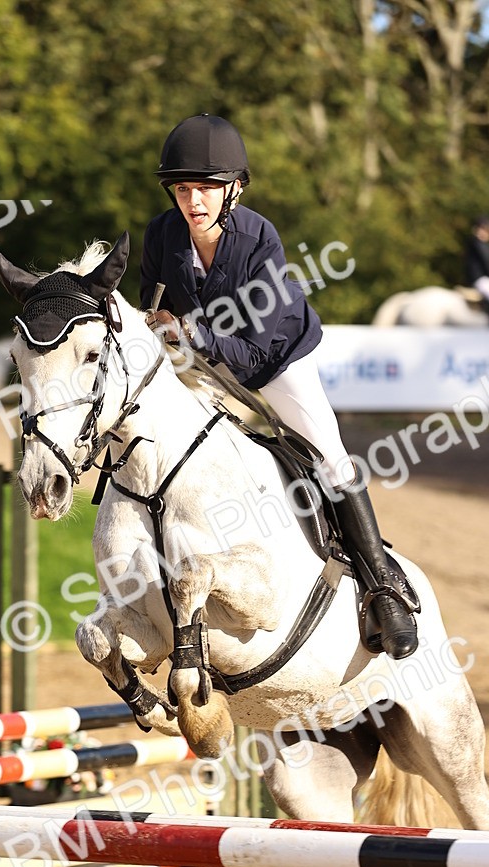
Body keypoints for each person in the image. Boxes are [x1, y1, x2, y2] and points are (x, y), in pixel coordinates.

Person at [140, 113, 417, 659]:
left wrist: (191, 332)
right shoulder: (162, 234)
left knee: (331, 460)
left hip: (278, 360)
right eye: (183, 189)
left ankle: (383, 589)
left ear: (233, 189)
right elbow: (155, 311)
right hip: (206, 363)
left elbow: (256, 351)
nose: (193, 202)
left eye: (207, 189)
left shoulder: (258, 237)